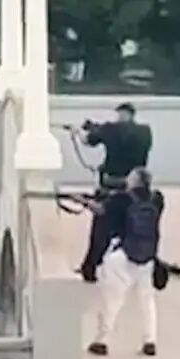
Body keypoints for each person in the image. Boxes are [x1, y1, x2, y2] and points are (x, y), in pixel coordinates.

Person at [76, 167, 164, 357]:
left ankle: (102, 341)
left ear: (134, 181)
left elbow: (100, 210)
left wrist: (83, 201)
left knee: (111, 300)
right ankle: (150, 341)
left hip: (121, 256)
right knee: (146, 300)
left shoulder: (121, 199)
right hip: (147, 256)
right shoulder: (157, 199)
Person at [78, 103, 153, 282]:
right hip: (137, 188)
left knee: (100, 230)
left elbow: (88, 140)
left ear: (120, 113)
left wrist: (79, 132)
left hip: (111, 185)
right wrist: (99, 128)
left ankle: (90, 268)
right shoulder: (145, 132)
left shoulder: (109, 129)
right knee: (131, 228)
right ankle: (135, 268)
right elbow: (119, 134)